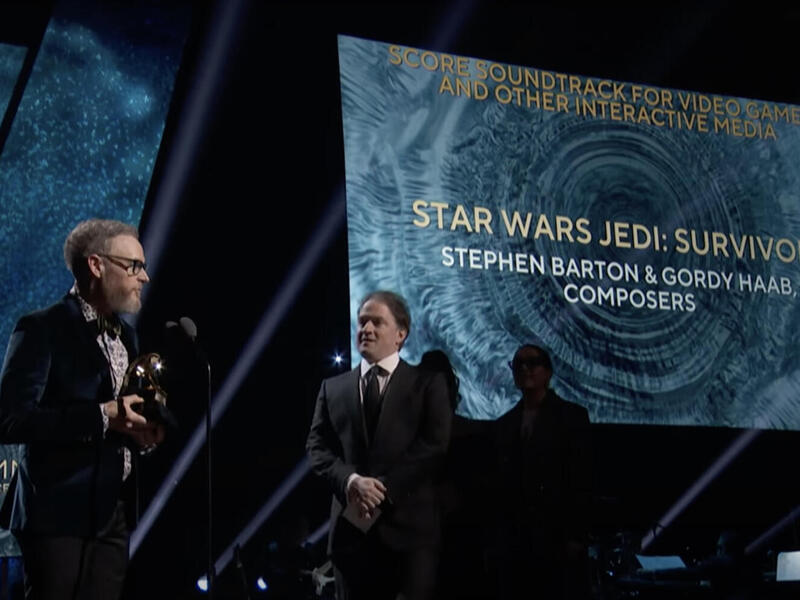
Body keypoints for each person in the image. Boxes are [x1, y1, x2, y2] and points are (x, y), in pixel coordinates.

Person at [0, 218, 163, 600]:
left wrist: (143, 433)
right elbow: (10, 420)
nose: (145, 278)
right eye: (135, 266)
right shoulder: (41, 328)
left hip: (112, 514)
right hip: (56, 515)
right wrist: (101, 416)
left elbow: (123, 417)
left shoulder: (128, 335)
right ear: (96, 265)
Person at [306, 290, 452, 600]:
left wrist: (380, 490)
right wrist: (352, 481)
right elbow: (317, 449)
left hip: (410, 536)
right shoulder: (333, 388)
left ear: (401, 334)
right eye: (362, 322)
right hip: (351, 537)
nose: (366, 329)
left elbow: (434, 445)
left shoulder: (427, 383)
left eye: (377, 322)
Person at [492, 344, 592, 600]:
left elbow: (580, 480)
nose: (525, 369)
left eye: (533, 363)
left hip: (556, 539)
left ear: (548, 372)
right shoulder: (504, 425)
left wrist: (575, 535)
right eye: (519, 364)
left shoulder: (572, 417)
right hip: (516, 543)